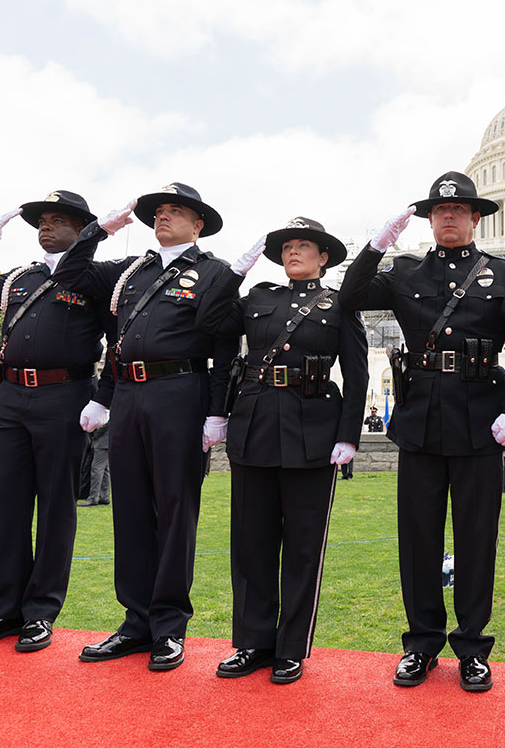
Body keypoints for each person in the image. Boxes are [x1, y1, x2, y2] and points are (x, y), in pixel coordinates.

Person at [337, 171, 505, 692]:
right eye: (439, 211)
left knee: (477, 539)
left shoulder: (504, 274)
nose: (448, 217)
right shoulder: (405, 271)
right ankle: (422, 643)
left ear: (475, 218)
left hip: (480, 420)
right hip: (421, 420)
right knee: (419, 540)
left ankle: (472, 647)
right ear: (429, 220)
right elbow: (350, 295)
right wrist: (378, 244)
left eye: (458, 211)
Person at [50, 182, 240, 669]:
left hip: (181, 392)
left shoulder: (213, 272)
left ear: (197, 225)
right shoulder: (129, 271)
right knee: (129, 508)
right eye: (158, 212)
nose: (163, 218)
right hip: (129, 395)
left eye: (175, 212)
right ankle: (136, 621)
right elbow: (70, 273)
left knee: (175, 510)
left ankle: (169, 624)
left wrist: (217, 410)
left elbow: (222, 350)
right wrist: (100, 231)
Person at [197, 217, 368, 683]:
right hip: (254, 425)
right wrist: (237, 270)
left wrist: (348, 435)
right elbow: (209, 319)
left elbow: (357, 376)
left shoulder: (340, 305)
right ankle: (253, 642)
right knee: (251, 544)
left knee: (302, 547)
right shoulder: (258, 298)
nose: (294, 252)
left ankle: (291, 646)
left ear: (323, 257)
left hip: (313, 428)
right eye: (287, 246)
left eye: (304, 246)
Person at [0, 191, 114, 653]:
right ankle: (5, 610)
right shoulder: (20, 277)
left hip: (65, 395)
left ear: (80, 230)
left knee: (56, 506)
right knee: (6, 505)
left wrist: (102, 400)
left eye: (58, 220)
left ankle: (40, 612)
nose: (46, 226)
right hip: (11, 397)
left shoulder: (94, 278)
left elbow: (118, 339)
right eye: (42, 220)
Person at [79, 422, 111, 506]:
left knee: (96, 470)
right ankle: (104, 497)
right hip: (103, 441)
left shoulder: (107, 410)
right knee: (105, 471)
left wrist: (94, 433)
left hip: (102, 441)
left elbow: (106, 424)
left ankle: (93, 498)